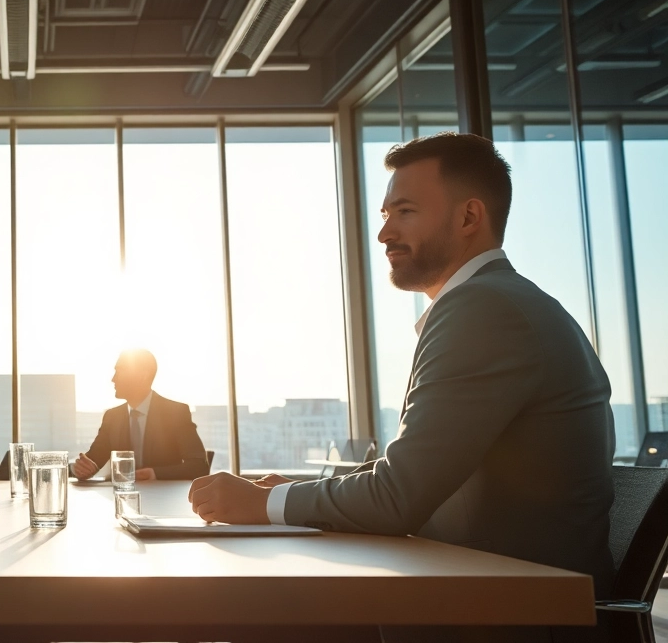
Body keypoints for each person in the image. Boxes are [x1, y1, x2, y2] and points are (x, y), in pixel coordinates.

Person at [187, 132, 615, 597]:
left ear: (470, 216)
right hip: (489, 590)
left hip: (513, 614)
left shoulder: (485, 309)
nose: (385, 232)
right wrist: (295, 491)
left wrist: (263, 502)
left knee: (251, 608)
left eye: (405, 212)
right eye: (386, 214)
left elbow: (397, 497)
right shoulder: (501, 302)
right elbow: (414, 474)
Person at [73, 349, 208, 481]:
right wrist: (81, 469)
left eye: (120, 371)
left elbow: (199, 466)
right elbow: (92, 462)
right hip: (122, 497)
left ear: (143, 375)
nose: (113, 379)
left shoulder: (176, 413)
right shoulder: (112, 417)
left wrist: (155, 474)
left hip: (164, 498)